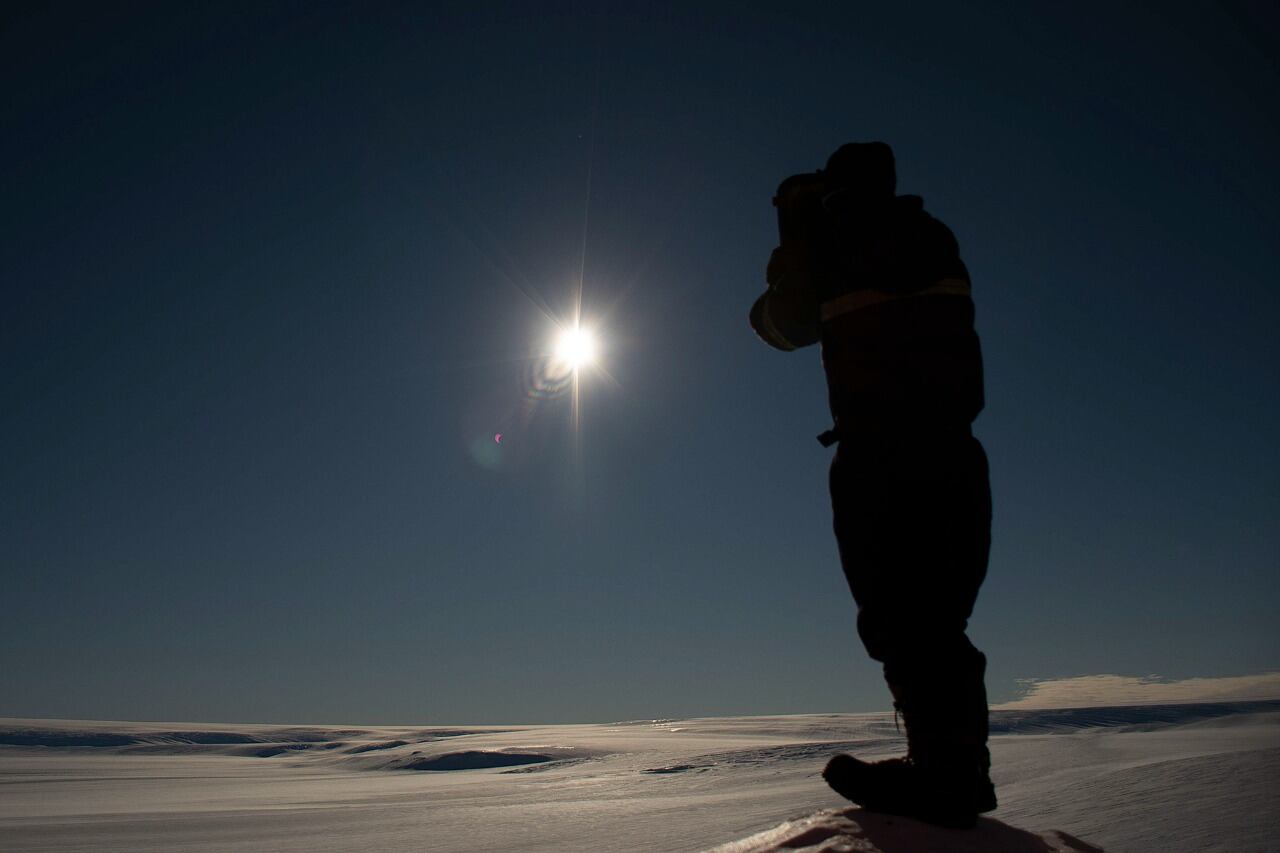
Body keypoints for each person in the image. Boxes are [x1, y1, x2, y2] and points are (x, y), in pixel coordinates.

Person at [749, 142, 996, 829]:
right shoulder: (932, 236)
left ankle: (943, 774)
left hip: (882, 451)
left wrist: (792, 243)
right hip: (954, 447)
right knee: (938, 611)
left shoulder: (833, 248)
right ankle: (953, 762)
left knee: (900, 609)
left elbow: (778, 324)